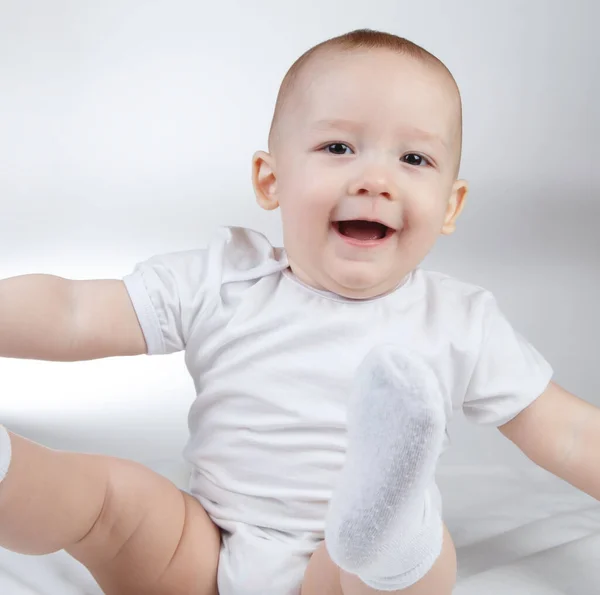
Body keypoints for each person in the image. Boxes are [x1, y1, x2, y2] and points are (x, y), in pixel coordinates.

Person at [0, 28, 598, 595]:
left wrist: (373, 550)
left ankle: (386, 531)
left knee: (417, 557)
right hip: (205, 547)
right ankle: (9, 470)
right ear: (270, 179)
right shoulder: (226, 278)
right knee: (106, 500)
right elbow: (75, 310)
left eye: (414, 160)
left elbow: (568, 433)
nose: (375, 180)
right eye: (338, 147)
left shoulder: (459, 320)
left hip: (343, 573)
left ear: (450, 203)